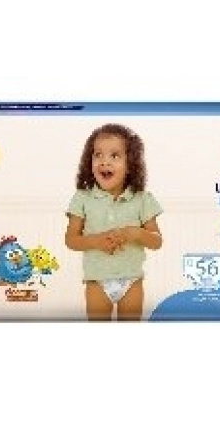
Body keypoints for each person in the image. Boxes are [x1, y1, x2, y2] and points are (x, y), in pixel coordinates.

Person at [65, 123, 163, 321]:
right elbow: (71, 240)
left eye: (114, 156)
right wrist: (95, 241)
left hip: (132, 280)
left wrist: (136, 233)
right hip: (97, 281)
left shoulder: (142, 199)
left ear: (130, 165)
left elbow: (157, 241)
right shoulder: (82, 198)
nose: (104, 161)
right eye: (98, 155)